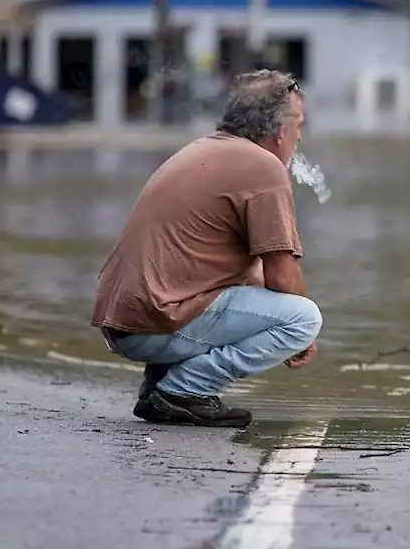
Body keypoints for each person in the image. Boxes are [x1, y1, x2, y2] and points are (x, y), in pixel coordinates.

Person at [91, 69, 322, 427]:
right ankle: (184, 390)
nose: (299, 137)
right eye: (299, 125)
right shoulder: (263, 167)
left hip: (126, 321)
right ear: (280, 131)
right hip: (153, 323)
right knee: (304, 318)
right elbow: (283, 276)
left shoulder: (204, 149)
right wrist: (304, 338)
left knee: (236, 288)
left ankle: (158, 389)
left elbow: (254, 274)